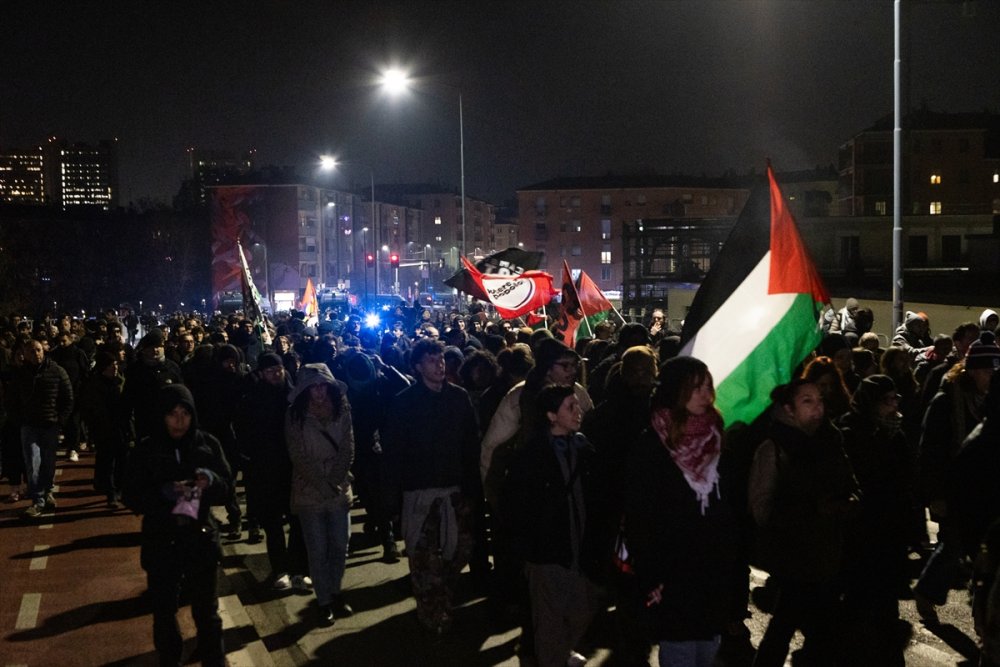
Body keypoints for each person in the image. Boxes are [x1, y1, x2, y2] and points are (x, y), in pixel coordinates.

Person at [624, 356, 739, 667]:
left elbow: (728, 510)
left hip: (712, 572)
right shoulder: (652, 445)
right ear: (676, 391)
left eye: (708, 387)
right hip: (672, 575)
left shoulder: (716, 437)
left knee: (707, 650)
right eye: (696, 388)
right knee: (680, 652)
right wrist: (652, 577)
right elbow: (639, 517)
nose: (706, 395)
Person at [748, 379, 860, 667]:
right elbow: (762, 509)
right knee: (788, 625)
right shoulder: (773, 448)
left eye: (820, 401)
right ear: (789, 409)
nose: (817, 408)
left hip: (828, 552)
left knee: (813, 630)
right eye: (807, 401)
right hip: (793, 556)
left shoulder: (830, 441)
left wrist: (850, 502)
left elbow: (850, 482)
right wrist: (813, 511)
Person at [122, 384, 232, 667]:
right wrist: (162, 492)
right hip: (162, 539)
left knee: (207, 613)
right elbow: (131, 494)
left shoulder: (207, 444)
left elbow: (226, 486)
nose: (179, 420)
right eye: (172, 414)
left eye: (185, 413)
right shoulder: (147, 449)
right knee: (164, 611)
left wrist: (211, 480)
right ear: (162, 416)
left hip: (201, 538)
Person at [381, 338, 480, 635]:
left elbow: (470, 446)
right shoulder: (404, 402)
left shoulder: (459, 398)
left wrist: (473, 490)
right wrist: (392, 502)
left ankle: (442, 602)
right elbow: (394, 453)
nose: (439, 364)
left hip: (454, 493)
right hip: (420, 493)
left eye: (441, 359)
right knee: (424, 560)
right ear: (417, 366)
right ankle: (430, 614)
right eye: (431, 360)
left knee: (457, 553)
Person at [505, 384, 604, 667]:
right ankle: (554, 657)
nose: (578, 411)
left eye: (577, 405)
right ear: (551, 415)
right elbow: (518, 506)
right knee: (548, 619)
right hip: (548, 551)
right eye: (570, 407)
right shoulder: (532, 455)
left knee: (582, 610)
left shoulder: (584, 447)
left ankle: (562, 649)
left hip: (581, 547)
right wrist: (528, 548)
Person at [837, 375, 912, 665]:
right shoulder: (851, 432)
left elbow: (905, 478)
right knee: (860, 603)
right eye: (887, 400)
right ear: (871, 403)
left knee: (885, 606)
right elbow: (861, 478)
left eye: (896, 399)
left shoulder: (896, 433)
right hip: (862, 532)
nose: (894, 406)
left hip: (889, 532)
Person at [285, 363, 356, 625]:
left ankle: (335, 591)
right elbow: (298, 455)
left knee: (339, 545)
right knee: (317, 549)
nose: (318, 392)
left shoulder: (342, 407)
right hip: (309, 490)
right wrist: (321, 483)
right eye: (313, 387)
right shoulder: (295, 415)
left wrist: (334, 480)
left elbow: (348, 447)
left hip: (337, 488)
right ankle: (324, 600)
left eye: (322, 385)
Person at [235, 353, 310, 591]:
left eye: (278, 369)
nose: (275, 374)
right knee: (273, 524)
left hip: (293, 468)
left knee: (298, 521)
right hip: (266, 471)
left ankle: (300, 569)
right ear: (261, 373)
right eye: (269, 371)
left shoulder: (295, 396)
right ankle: (280, 569)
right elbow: (244, 431)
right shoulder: (252, 399)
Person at [7, 338, 73, 518]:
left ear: (43, 351)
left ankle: (48, 492)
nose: (35, 354)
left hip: (50, 425)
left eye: (38, 350)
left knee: (49, 462)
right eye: (31, 351)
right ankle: (38, 500)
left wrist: (60, 421)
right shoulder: (20, 375)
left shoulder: (57, 371)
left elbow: (68, 398)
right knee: (33, 464)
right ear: (24, 354)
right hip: (29, 426)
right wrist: (19, 421)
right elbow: (11, 401)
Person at [80, 350, 133, 507]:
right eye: (111, 365)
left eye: (115, 364)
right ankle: (111, 494)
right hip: (104, 429)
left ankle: (119, 489)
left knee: (122, 461)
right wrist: (93, 429)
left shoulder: (121, 382)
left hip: (122, 428)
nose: (114, 368)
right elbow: (88, 409)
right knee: (108, 462)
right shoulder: (94, 385)